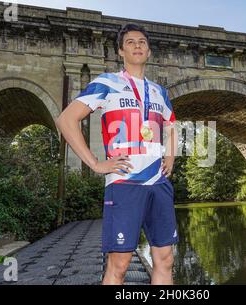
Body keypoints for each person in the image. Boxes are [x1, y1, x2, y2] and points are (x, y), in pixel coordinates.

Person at [56, 23, 178, 285]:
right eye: (131, 42)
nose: (137, 45)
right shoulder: (107, 83)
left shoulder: (160, 91)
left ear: (149, 51)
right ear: (121, 51)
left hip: (159, 183)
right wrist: (95, 164)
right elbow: (66, 120)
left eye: (142, 42)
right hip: (124, 183)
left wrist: (170, 156)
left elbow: (171, 126)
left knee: (166, 258)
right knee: (120, 264)